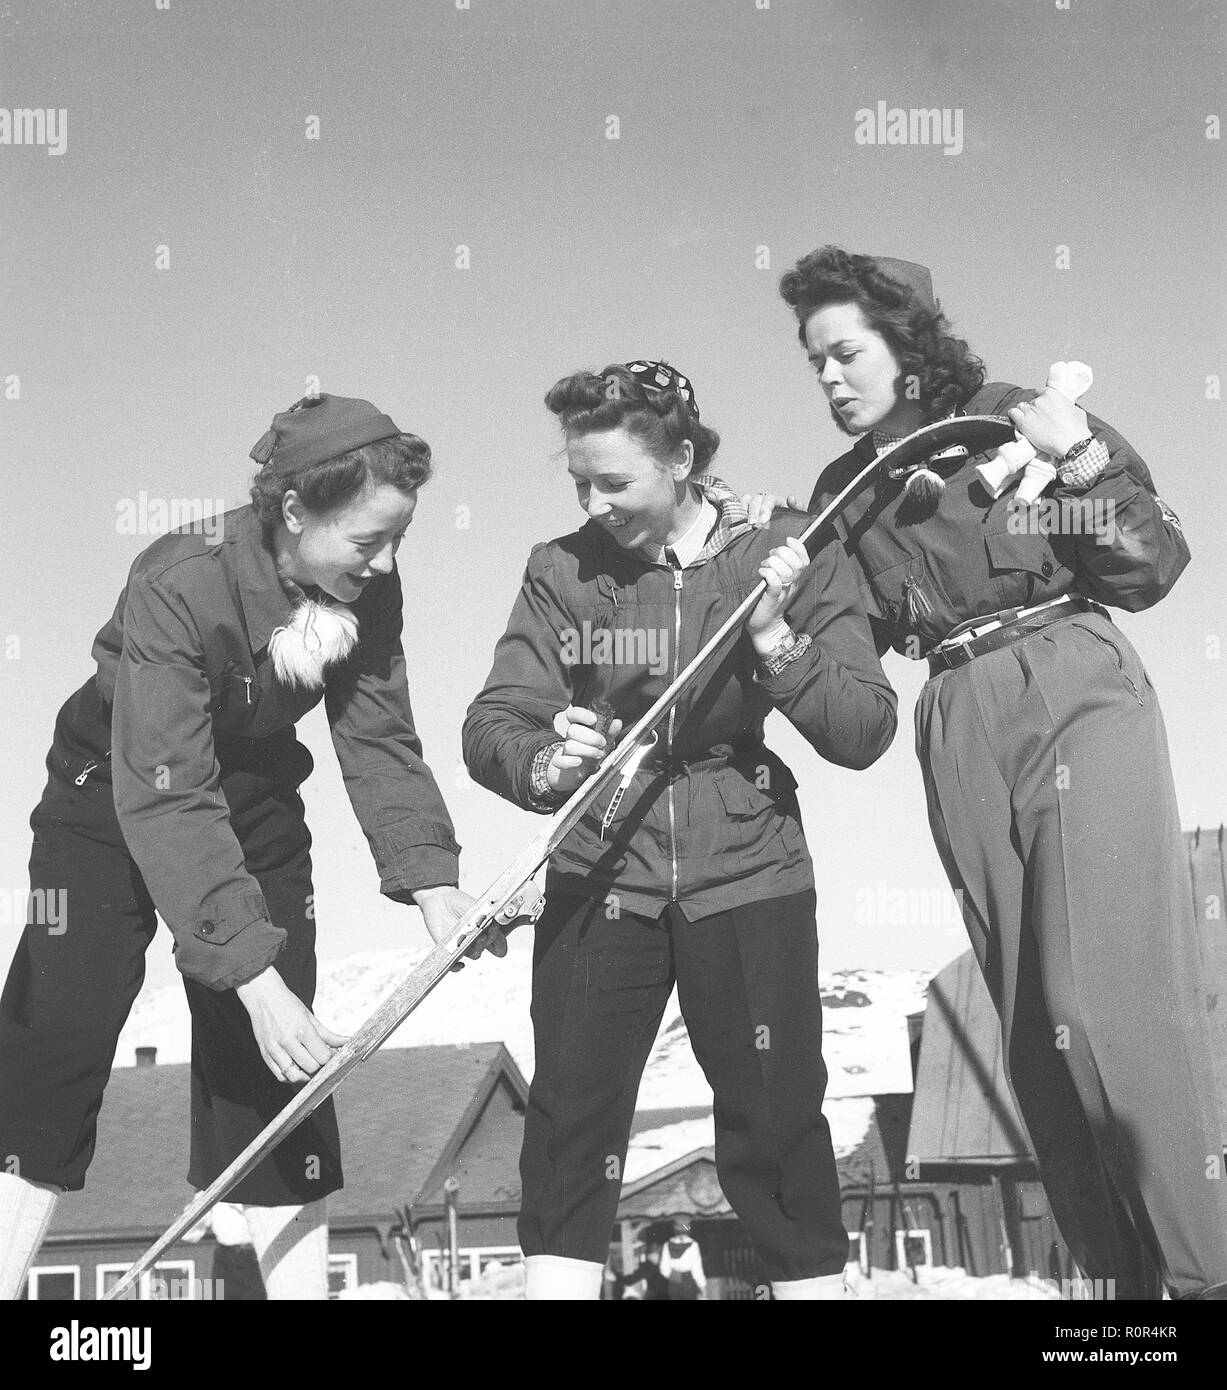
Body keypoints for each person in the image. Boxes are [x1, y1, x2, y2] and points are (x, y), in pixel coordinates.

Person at [751, 247, 1227, 1300]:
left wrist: (1083, 464)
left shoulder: (1022, 417)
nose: (828, 378)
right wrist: (778, 638)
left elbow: (1151, 566)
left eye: (846, 352)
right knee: (1034, 1036)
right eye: (814, 361)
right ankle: (1125, 1298)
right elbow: (857, 719)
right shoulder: (845, 496)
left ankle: (1205, 1277)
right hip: (954, 711)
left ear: (906, 342)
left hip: (1072, 676)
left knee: (1108, 999)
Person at [0, 392, 511, 1300]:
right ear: (292, 510)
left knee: (283, 1061)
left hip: (254, 793)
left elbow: (379, 740)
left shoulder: (370, 590)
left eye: (399, 539)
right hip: (114, 793)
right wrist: (250, 974)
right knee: (58, 1035)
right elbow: (169, 795)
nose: (387, 562)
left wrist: (435, 883)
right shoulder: (177, 578)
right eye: (366, 541)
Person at [462, 360, 897, 1300]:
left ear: (685, 458)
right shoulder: (562, 570)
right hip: (597, 871)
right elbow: (494, 721)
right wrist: (548, 757)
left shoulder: (783, 549)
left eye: (613, 481)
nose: (593, 502)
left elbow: (863, 729)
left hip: (749, 870)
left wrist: (778, 640)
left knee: (773, 1116)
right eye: (580, 480)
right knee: (570, 1119)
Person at [659, 1218, 707, 1300]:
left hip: (673, 1284)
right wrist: (702, 1287)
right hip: (688, 1283)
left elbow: (663, 1268)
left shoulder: (667, 1244)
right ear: (688, 1229)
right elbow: (696, 1269)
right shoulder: (693, 1245)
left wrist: (673, 1276)